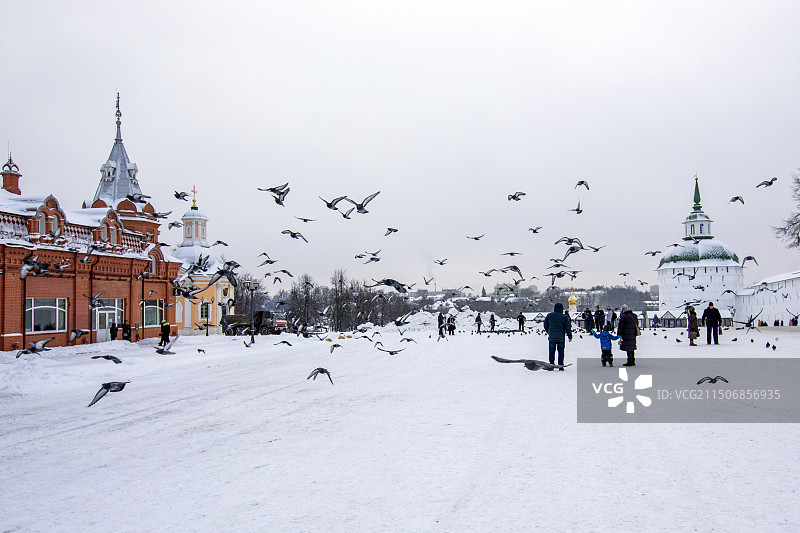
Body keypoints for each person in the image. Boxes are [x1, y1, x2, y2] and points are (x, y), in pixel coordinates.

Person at [543, 302, 573, 370]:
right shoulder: (564, 317)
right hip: (561, 338)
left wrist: (549, 332)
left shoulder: (549, 315)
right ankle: (560, 366)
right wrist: (570, 336)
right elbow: (568, 327)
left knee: (551, 351)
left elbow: (545, 325)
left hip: (552, 337)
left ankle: (551, 365)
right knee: (561, 351)